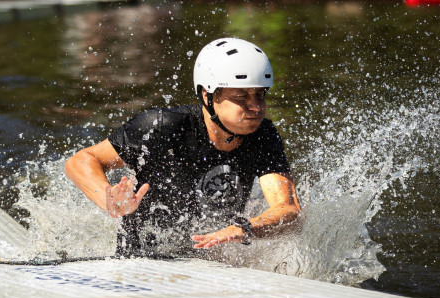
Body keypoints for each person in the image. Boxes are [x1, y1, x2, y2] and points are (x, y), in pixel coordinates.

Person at [65, 38, 301, 258]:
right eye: (241, 96)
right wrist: (111, 203)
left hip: (211, 260)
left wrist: (244, 228)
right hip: (140, 258)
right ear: (208, 95)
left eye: (260, 95)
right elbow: (81, 160)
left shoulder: (263, 135)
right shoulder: (161, 127)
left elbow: (287, 210)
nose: (256, 107)